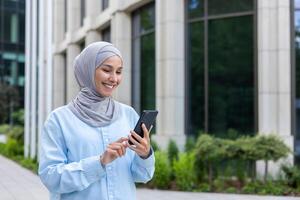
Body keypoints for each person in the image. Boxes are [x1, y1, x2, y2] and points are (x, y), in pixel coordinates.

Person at [39, 42, 155, 200]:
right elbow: (51, 177)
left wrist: (144, 154)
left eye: (119, 72)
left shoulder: (128, 114)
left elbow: (142, 176)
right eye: (106, 70)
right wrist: (99, 162)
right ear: (87, 70)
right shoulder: (59, 119)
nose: (114, 78)